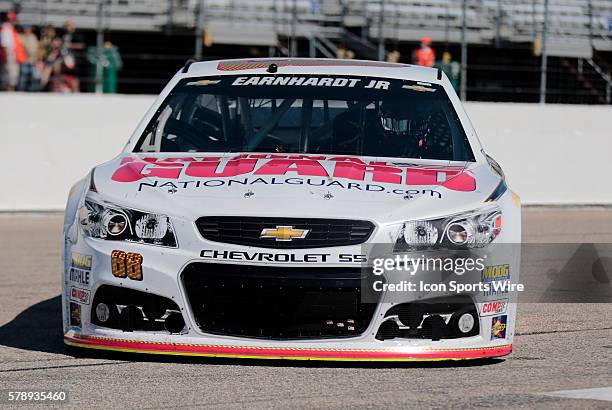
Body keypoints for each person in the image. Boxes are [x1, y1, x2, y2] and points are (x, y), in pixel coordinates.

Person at [0, 10, 27, 91]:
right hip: (9, 57)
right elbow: (5, 45)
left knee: (11, 76)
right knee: (9, 76)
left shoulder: (9, 28)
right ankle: (8, 90)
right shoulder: (6, 29)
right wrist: (5, 58)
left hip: (11, 57)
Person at [17, 24, 40, 91]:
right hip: (24, 59)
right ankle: (21, 90)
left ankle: (33, 91)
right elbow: (21, 47)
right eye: (26, 28)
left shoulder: (33, 37)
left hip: (33, 60)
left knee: (34, 77)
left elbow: (36, 47)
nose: (27, 30)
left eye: (28, 28)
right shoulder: (20, 36)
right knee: (23, 76)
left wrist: (37, 58)